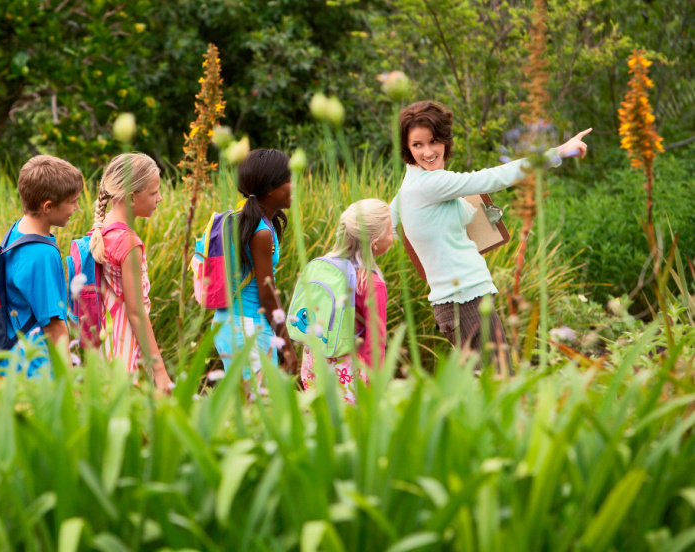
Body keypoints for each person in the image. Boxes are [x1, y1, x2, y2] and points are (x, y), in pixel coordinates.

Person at [390, 100, 590, 368]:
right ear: (407, 148)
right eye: (417, 145)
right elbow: (493, 177)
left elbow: (385, 221)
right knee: (499, 385)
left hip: (463, 300)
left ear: (445, 140)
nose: (427, 151)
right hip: (465, 302)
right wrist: (559, 152)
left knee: (490, 391)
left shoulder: (412, 185)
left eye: (434, 141)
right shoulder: (429, 184)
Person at [212, 148, 299, 380]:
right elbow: (267, 296)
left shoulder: (239, 218)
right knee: (258, 407)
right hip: (247, 326)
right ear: (270, 190)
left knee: (245, 405)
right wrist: (287, 348)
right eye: (289, 180)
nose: (294, 185)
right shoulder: (260, 232)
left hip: (227, 322)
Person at [89, 153, 173, 391]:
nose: (160, 198)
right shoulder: (128, 243)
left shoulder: (100, 233)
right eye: (154, 192)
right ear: (131, 198)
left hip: (104, 345)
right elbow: (136, 314)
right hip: (127, 349)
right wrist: (160, 372)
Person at [299, 199, 393, 403]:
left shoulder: (325, 268)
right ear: (375, 243)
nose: (393, 237)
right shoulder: (371, 283)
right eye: (390, 232)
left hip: (314, 360)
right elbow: (375, 343)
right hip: (348, 370)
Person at [1, 155, 83, 377]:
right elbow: (55, 328)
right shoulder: (42, 254)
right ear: (48, 206)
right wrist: (68, 387)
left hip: (12, 363)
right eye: (73, 201)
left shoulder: (17, 231)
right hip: (36, 372)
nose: (77, 207)